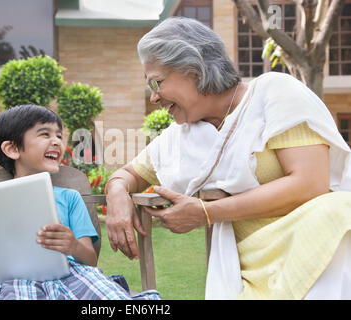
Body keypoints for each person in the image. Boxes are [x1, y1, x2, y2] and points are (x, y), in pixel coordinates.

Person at [104, 16, 351, 300]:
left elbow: (311, 184)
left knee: (340, 211)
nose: (154, 98)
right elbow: (126, 174)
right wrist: (117, 195)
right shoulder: (182, 136)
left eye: (157, 83)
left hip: (314, 242)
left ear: (193, 69)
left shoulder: (272, 93)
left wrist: (206, 213)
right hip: (251, 272)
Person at [0, 104, 161, 300]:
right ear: (12, 148)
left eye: (58, 135)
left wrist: (72, 245)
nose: (57, 141)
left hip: (73, 275)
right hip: (15, 284)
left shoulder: (70, 197)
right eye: (45, 134)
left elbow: (90, 261)